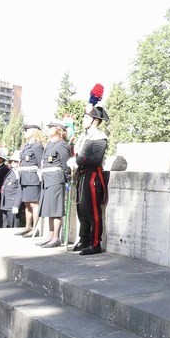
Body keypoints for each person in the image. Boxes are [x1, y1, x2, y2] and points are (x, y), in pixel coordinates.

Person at [72, 104, 108, 255]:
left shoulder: (99, 138)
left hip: (93, 176)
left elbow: (96, 159)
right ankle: (84, 239)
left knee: (93, 212)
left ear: (95, 121)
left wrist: (78, 160)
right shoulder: (85, 137)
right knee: (82, 210)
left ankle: (95, 243)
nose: (83, 120)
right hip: (83, 175)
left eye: (86, 117)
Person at [37, 121, 71, 248]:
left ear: (58, 129)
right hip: (47, 179)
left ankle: (56, 237)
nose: (48, 129)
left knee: (56, 210)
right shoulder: (50, 144)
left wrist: (67, 179)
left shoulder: (61, 145)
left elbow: (66, 165)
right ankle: (50, 235)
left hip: (56, 179)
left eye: (51, 127)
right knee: (49, 209)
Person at [16, 124, 44, 236]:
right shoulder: (26, 146)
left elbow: (40, 163)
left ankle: (35, 228)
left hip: (32, 177)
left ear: (33, 131)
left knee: (34, 204)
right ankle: (28, 226)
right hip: (24, 177)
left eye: (26, 130)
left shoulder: (37, 146)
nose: (25, 132)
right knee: (27, 203)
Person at [0, 153, 22, 228]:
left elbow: (20, 190)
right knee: (5, 227)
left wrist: (16, 205)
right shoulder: (11, 172)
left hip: (12, 204)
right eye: (11, 161)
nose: (12, 163)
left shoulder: (19, 174)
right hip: (5, 204)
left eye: (15, 161)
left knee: (13, 227)